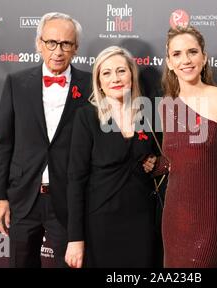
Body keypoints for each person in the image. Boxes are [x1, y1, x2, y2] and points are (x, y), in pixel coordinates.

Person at [0, 12, 91, 268]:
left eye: (66, 44)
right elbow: (4, 143)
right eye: (51, 42)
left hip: (69, 200)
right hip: (23, 199)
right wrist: (0, 197)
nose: (58, 51)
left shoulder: (91, 85)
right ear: (39, 44)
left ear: (76, 48)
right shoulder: (16, 83)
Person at [65, 46, 160, 268]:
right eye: (106, 73)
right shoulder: (87, 117)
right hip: (101, 224)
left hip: (142, 222)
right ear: (98, 81)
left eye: (121, 71)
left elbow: (164, 157)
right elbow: (75, 181)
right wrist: (75, 238)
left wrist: (155, 162)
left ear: (131, 75)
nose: (115, 78)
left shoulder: (148, 114)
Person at [160, 25, 217, 267]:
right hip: (174, 217)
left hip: (212, 218)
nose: (185, 60)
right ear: (169, 62)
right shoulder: (166, 105)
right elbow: (176, 161)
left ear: (204, 58)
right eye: (177, 54)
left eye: (192, 52)